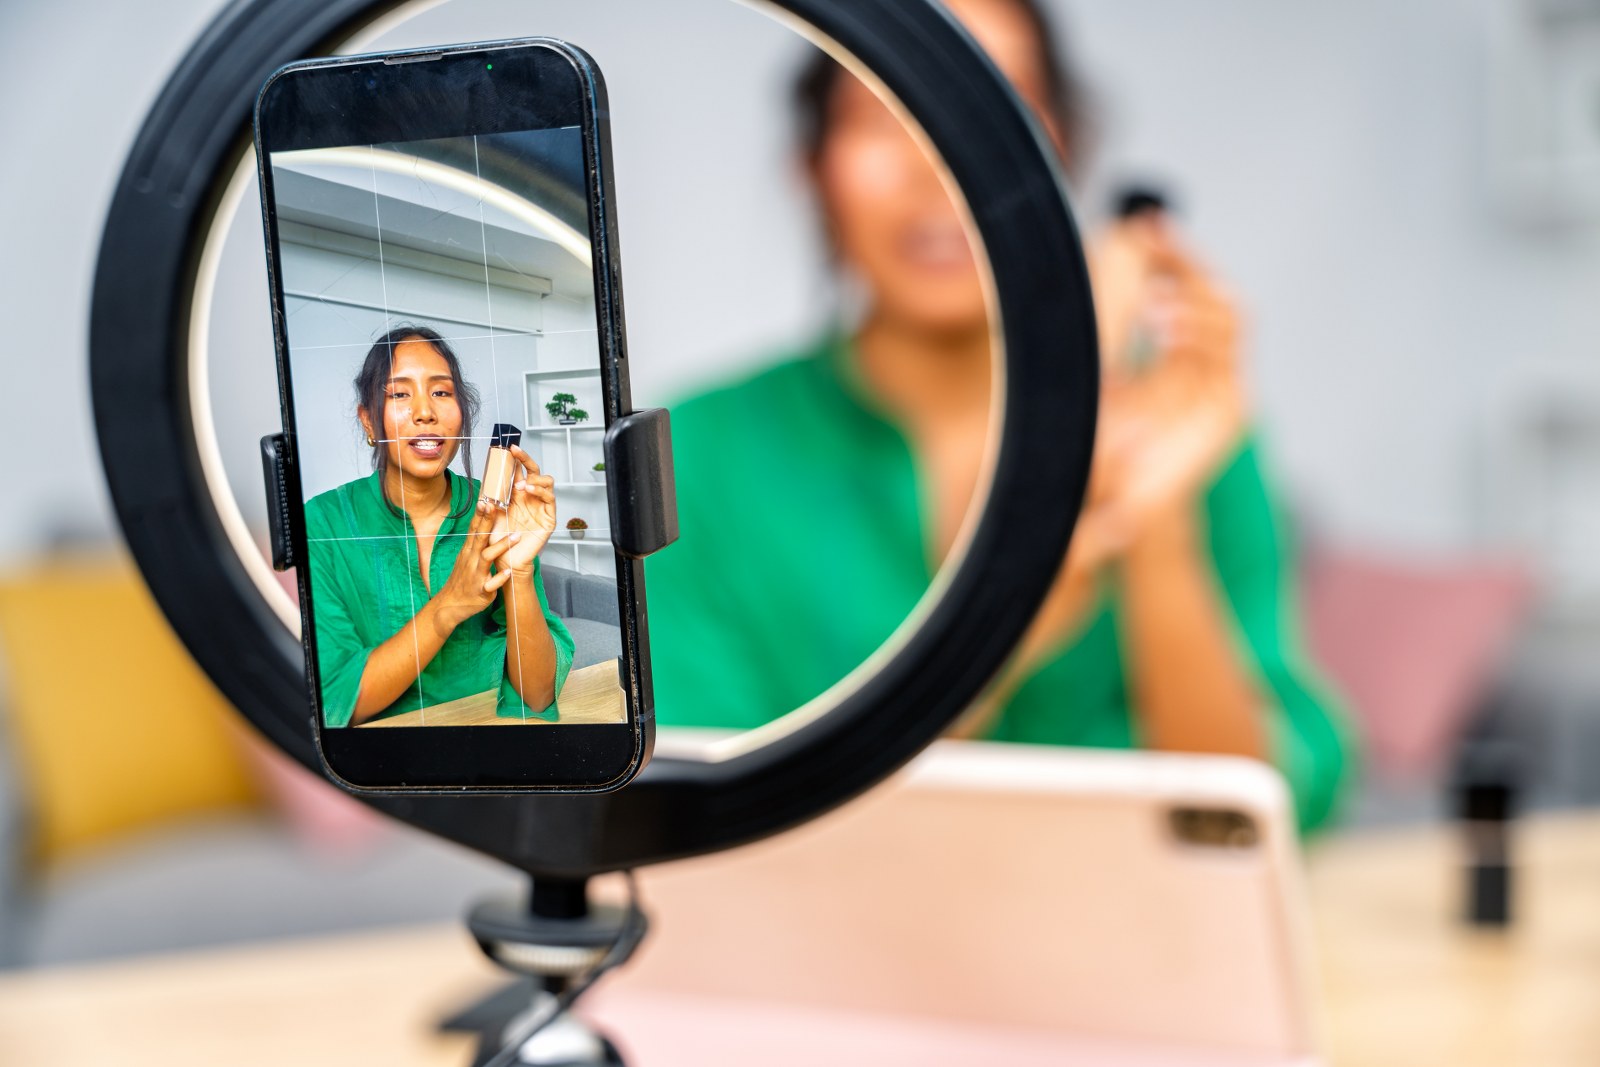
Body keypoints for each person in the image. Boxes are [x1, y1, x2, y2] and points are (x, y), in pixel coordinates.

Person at [646, 0, 1355, 831]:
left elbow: (1247, 823)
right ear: (812, 167)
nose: (939, 160)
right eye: (883, 114)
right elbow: (703, 833)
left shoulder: (1185, 425)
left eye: (997, 105)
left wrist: (1148, 520)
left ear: (1063, 148)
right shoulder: (695, 456)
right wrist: (1021, 612)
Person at [304, 324, 574, 727]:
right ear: (368, 422)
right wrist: (449, 604)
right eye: (399, 394)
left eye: (441, 392)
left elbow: (536, 697)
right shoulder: (324, 524)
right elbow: (341, 700)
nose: (425, 412)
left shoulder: (497, 511)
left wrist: (518, 571)